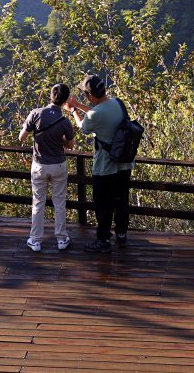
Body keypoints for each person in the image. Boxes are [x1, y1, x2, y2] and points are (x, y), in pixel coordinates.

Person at [64, 74, 132, 253]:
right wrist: (79, 105)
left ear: (89, 95)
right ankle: (122, 234)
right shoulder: (118, 103)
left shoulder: (94, 114)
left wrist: (73, 111)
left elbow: (83, 126)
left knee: (103, 204)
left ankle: (103, 240)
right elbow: (99, 113)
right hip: (124, 163)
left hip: (105, 167)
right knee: (121, 200)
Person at [19, 83, 75, 252]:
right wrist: (61, 140)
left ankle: (35, 240)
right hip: (58, 165)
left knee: (38, 203)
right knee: (59, 202)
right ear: (65, 100)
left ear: (51, 96)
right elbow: (71, 145)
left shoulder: (35, 114)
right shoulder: (65, 121)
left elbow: (22, 137)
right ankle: (61, 238)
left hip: (39, 165)